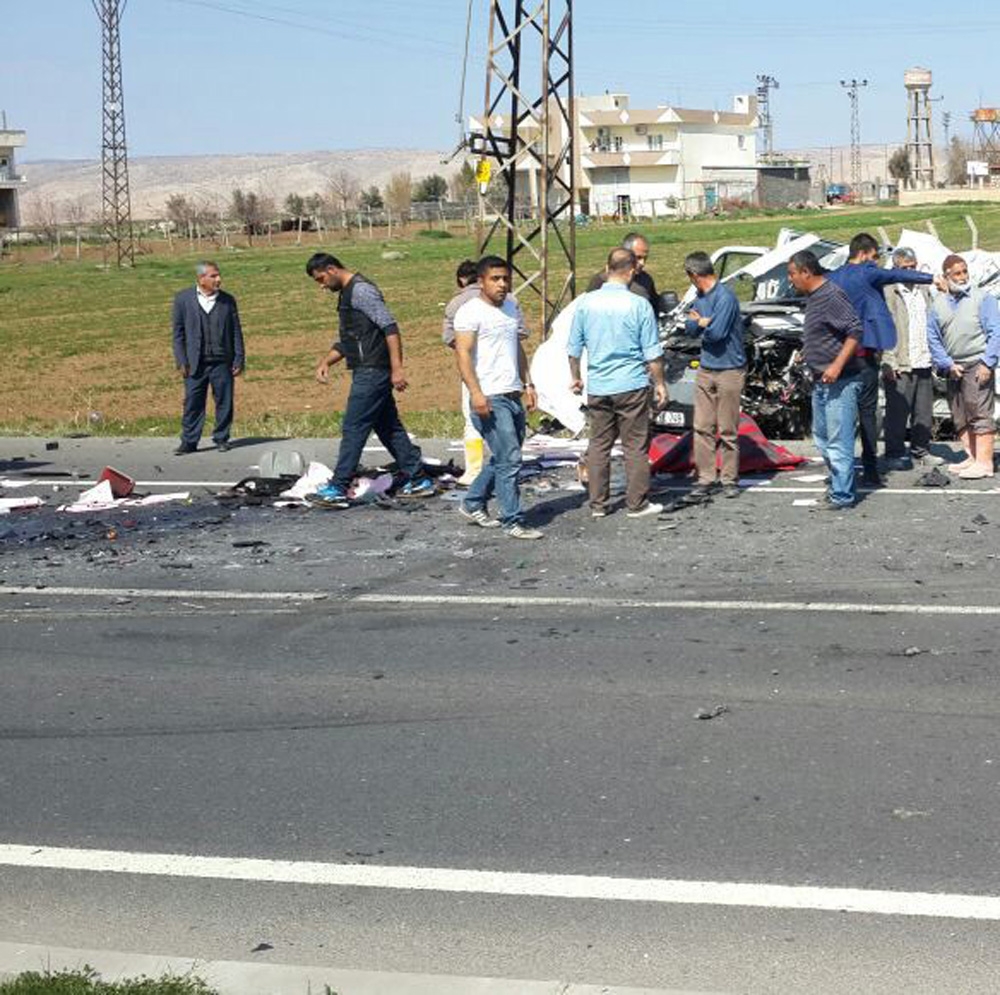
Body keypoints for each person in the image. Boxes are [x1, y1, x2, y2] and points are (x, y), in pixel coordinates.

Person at [303, 253, 434, 508]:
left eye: (321, 279)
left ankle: (339, 487)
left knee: (354, 428)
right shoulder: (347, 294)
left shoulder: (361, 291)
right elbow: (352, 340)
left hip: (373, 371)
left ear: (331, 269)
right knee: (388, 427)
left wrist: (397, 368)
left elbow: (390, 328)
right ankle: (418, 478)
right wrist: (325, 362)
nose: (321, 286)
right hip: (368, 368)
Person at [826, 232, 936, 487]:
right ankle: (871, 471)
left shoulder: (832, 277)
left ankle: (839, 473)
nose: (876, 263)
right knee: (867, 416)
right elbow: (897, 275)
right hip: (864, 357)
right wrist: (931, 278)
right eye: (875, 257)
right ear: (864, 254)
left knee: (838, 418)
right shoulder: (867, 273)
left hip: (837, 358)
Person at [568, 247, 668, 519]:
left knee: (599, 444)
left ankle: (598, 504)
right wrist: (660, 383)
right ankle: (637, 503)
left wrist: (576, 376)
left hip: (599, 385)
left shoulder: (586, 303)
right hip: (631, 383)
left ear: (606, 267)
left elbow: (574, 347)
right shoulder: (639, 304)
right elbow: (652, 352)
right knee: (634, 446)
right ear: (632, 270)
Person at [453, 255, 542, 539]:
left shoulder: (511, 307)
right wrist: (476, 393)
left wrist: (528, 384)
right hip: (489, 396)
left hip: (512, 392)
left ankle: (473, 502)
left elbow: (516, 347)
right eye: (495, 279)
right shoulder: (469, 312)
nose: (502, 284)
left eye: (506, 278)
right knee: (511, 459)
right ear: (481, 281)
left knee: (504, 457)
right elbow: (463, 354)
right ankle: (512, 520)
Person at [787, 249, 863, 510]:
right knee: (821, 437)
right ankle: (838, 484)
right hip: (819, 379)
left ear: (806, 272)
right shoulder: (814, 297)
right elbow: (826, 333)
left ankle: (843, 495)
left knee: (838, 440)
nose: (791, 279)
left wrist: (836, 366)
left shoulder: (831, 294)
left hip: (839, 381)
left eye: (792, 274)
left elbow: (854, 330)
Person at [927, 253, 1000, 479]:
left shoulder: (982, 298)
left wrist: (988, 363)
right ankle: (972, 457)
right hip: (953, 366)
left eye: (964, 271)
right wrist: (946, 363)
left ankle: (985, 462)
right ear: (946, 276)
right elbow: (933, 338)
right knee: (959, 413)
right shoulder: (937, 304)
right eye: (956, 273)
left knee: (979, 411)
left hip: (977, 362)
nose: (962, 277)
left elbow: (995, 332)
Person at [684, 250, 748, 499]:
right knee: (702, 426)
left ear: (694, 274)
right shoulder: (699, 298)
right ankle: (706, 477)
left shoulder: (726, 298)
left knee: (728, 427)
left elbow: (717, 333)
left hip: (730, 369)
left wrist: (702, 324)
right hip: (706, 368)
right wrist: (700, 323)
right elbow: (689, 328)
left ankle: (730, 478)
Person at [171, 261, 245, 455]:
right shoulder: (183, 299)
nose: (218, 279)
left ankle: (221, 438)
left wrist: (239, 358)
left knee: (224, 401)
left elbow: (236, 331)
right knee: (193, 402)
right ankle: (189, 441)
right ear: (201, 278)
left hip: (222, 361)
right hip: (195, 363)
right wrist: (181, 360)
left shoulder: (228, 301)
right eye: (213, 276)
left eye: (218, 275)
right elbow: (178, 334)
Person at [882, 246, 942, 471]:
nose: (909, 272)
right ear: (896, 268)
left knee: (924, 411)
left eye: (912, 267)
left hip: (923, 358)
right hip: (900, 360)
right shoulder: (889, 291)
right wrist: (888, 360)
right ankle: (894, 453)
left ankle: (921, 450)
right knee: (898, 412)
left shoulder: (923, 288)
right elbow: (885, 328)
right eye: (905, 268)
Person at [587, 232, 659, 307]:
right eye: (638, 257)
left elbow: (655, 305)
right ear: (625, 252)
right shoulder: (601, 279)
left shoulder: (646, 279)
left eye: (645, 258)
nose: (642, 263)